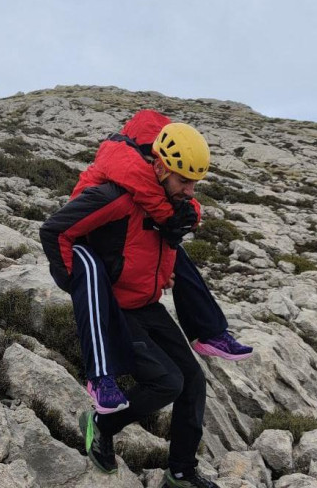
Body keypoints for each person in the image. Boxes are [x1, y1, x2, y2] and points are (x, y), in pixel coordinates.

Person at [40, 122, 233, 487]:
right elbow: (54, 230)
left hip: (147, 304)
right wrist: (76, 282)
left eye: (195, 183)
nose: (190, 191)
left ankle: (181, 472)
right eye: (183, 181)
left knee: (192, 379)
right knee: (167, 382)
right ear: (159, 168)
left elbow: (155, 247)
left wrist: (164, 275)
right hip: (116, 308)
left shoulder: (167, 206)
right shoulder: (117, 197)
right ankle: (100, 424)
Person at [61, 111, 253, 415]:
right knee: (168, 380)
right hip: (97, 241)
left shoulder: (152, 167)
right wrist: (171, 215)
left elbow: (173, 199)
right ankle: (100, 378)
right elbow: (144, 186)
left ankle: (209, 330)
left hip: (129, 248)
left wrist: (183, 219)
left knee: (177, 249)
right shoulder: (121, 155)